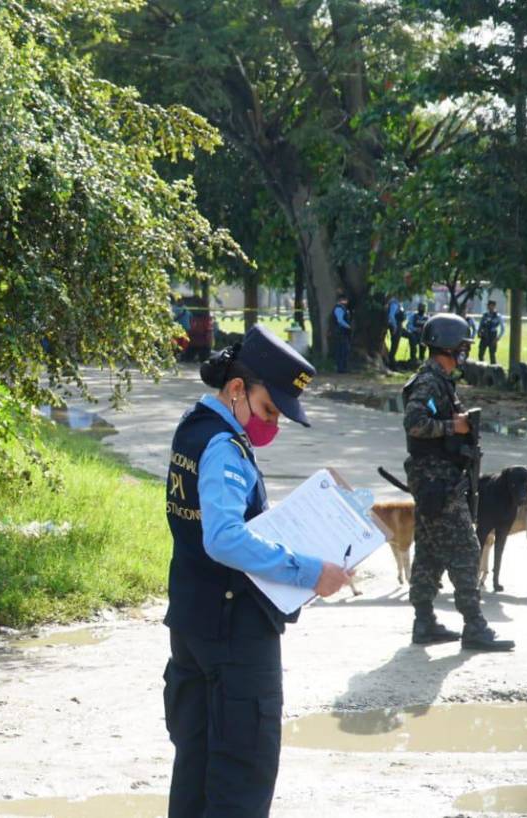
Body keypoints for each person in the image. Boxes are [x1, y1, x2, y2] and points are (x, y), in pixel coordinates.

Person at [162, 325, 352, 818]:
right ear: (237, 389)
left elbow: (232, 516)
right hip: (233, 636)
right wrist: (310, 571)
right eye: (271, 410)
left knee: (197, 775)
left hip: (193, 626)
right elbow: (224, 537)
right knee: (241, 781)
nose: (274, 424)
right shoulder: (225, 445)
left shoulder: (195, 426)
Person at [403, 314, 513, 652]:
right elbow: (415, 423)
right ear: (450, 346)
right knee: (466, 548)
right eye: (463, 346)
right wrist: (456, 427)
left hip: (438, 480)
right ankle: (474, 626)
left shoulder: (441, 381)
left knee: (431, 550)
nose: (466, 351)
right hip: (437, 482)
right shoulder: (428, 382)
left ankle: (424, 622)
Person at [476, 300, 505, 365]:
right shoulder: (485, 315)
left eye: (490, 305)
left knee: (492, 355)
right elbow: (480, 325)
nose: (489, 307)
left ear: (494, 306)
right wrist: (479, 332)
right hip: (484, 336)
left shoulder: (498, 316)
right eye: (488, 305)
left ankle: (493, 370)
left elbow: (503, 329)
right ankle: (481, 368)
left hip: (492, 336)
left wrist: (498, 338)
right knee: (480, 354)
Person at [331, 293, 352, 373]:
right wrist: (348, 326)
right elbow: (340, 320)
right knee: (342, 350)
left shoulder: (342, 308)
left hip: (341, 332)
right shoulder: (339, 308)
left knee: (343, 350)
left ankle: (342, 367)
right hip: (340, 332)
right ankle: (341, 368)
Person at [385, 296, 404, 366]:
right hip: (395, 326)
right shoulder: (394, 303)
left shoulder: (397, 303)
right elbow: (391, 316)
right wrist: (395, 327)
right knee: (394, 345)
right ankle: (391, 362)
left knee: (395, 345)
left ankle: (391, 361)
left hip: (398, 325)